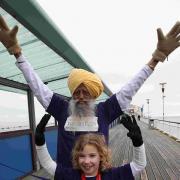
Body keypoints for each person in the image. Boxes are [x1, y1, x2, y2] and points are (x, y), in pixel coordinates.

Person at [0, 15, 180, 167]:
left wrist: (154, 60)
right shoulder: (62, 109)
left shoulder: (105, 110)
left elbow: (130, 88)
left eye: (85, 92)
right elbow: (38, 87)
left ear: (94, 94)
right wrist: (17, 53)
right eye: (76, 92)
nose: (80, 97)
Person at [35, 113, 146, 180]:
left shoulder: (111, 175)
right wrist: (40, 143)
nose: (87, 161)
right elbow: (48, 164)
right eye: (82, 156)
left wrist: (138, 143)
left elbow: (139, 165)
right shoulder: (71, 175)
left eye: (92, 155)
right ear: (76, 158)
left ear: (101, 156)